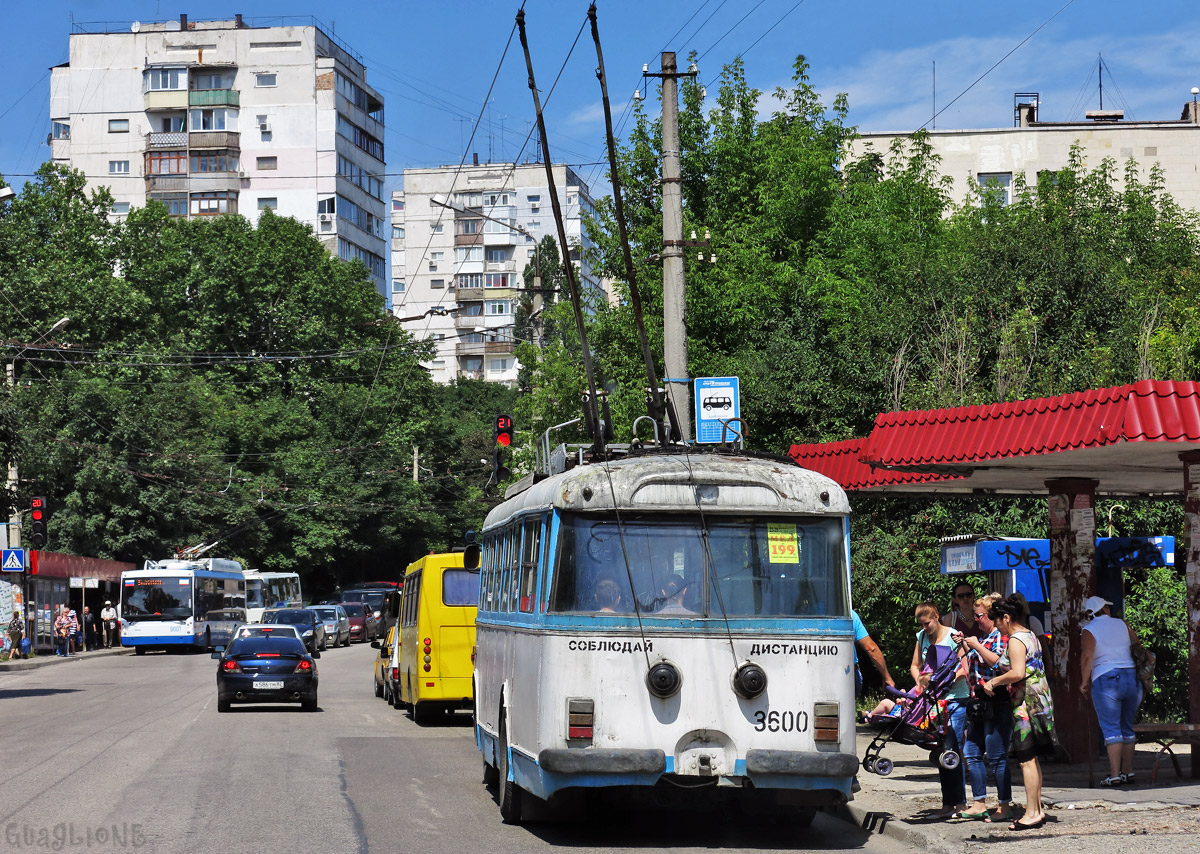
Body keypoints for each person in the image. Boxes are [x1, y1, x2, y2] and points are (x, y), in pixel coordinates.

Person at [981, 592, 1055, 831]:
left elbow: (1017, 672)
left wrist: (994, 682)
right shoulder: (1030, 635)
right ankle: (1037, 810)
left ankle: (1032, 813)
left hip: (1026, 703)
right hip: (1040, 699)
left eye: (997, 621)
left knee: (1025, 760)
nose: (996, 626)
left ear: (1006, 617)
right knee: (1032, 759)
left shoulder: (1015, 640)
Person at [953, 593, 1013, 822]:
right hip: (978, 703)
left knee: (997, 756)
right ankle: (979, 802)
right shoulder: (984, 638)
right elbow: (971, 664)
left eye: (979, 616)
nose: (976, 620)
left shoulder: (1000, 637)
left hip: (997, 702)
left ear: (990, 616)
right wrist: (965, 644)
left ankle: (1004, 805)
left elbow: (1000, 663)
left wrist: (976, 645)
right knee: (971, 751)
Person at [910, 601, 970, 819]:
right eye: (921, 625)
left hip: (955, 698)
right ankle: (948, 804)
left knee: (952, 749)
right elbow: (915, 665)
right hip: (935, 699)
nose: (924, 628)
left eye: (927, 623)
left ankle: (960, 804)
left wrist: (948, 679)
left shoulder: (953, 636)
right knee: (941, 749)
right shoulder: (922, 637)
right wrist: (920, 681)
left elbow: (965, 667)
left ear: (936, 616)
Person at [1080, 595, 1144, 786]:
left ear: (1089, 613)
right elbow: (1137, 646)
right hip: (1131, 677)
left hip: (1106, 678)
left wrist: (1084, 682)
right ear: (1105, 609)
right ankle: (1128, 772)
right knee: (1127, 727)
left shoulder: (1089, 630)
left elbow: (1087, 656)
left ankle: (1114, 775)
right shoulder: (1122, 624)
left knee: (1111, 729)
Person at [852, 609, 895, 697]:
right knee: (846, 709)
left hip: (817, 673)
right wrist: (887, 677)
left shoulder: (815, 613)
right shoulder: (848, 615)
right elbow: (871, 648)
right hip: (847, 674)